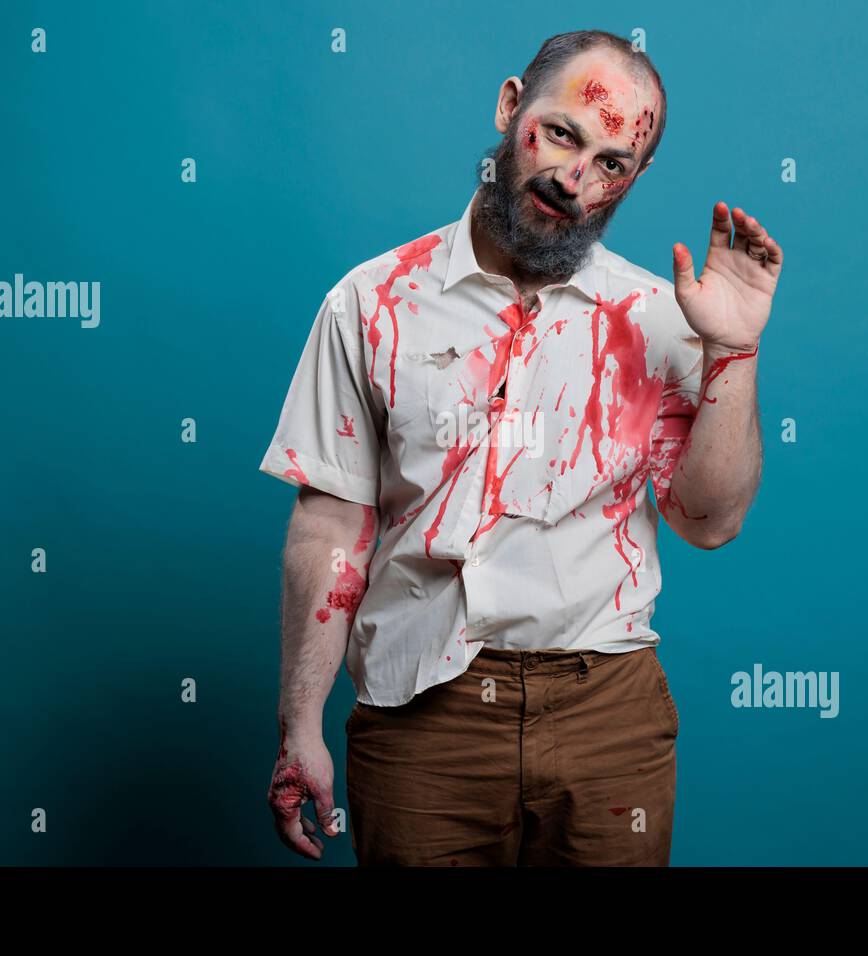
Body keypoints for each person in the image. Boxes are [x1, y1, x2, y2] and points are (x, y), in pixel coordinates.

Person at [262, 29, 783, 866]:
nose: (574, 179)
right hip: (421, 716)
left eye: (612, 163)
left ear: (636, 179)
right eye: (564, 133)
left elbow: (709, 521)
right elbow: (330, 529)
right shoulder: (372, 302)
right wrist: (300, 727)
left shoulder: (660, 317)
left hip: (607, 710)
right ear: (511, 108)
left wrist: (733, 351)